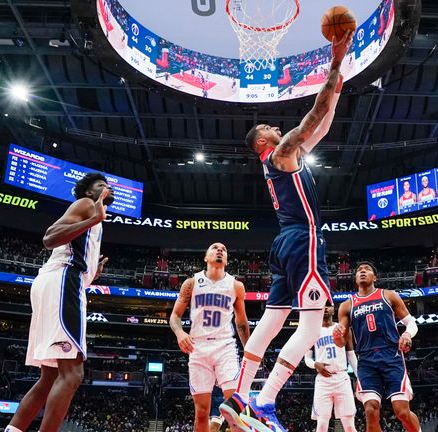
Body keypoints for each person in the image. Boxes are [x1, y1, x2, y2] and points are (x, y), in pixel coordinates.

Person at [218, 30, 354, 432]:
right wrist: (333, 63)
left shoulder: (282, 159)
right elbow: (311, 119)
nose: (276, 125)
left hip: (284, 243)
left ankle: (238, 398)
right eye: (268, 125)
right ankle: (267, 399)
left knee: (271, 323)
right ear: (264, 140)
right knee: (313, 326)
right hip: (304, 238)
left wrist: (338, 83)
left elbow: (323, 126)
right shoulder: (280, 153)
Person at [5, 173, 113, 432]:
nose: (107, 188)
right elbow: (50, 238)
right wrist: (94, 218)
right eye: (100, 185)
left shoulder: (94, 218)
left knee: (50, 377)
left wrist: (90, 272)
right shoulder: (86, 206)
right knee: (73, 374)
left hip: (57, 281)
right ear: (88, 193)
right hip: (64, 279)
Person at [170, 242, 250, 432]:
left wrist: (249, 349)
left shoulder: (236, 286)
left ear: (227, 260)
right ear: (206, 257)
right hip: (198, 348)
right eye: (215, 247)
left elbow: (241, 322)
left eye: (224, 249)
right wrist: (180, 332)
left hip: (225, 346)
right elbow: (175, 316)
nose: (220, 250)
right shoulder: (191, 283)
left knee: (235, 408)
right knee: (202, 413)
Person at [334, 262, 421, 432]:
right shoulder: (347, 305)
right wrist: (337, 336)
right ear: (355, 278)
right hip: (366, 360)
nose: (362, 271)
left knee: (401, 411)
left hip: (391, 356)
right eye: (359, 270)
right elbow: (341, 343)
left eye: (367, 269)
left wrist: (406, 334)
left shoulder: (388, 295)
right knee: (370, 409)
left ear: (375, 277)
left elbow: (411, 322)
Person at [304, 305, 357, 432]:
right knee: (321, 425)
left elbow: (351, 354)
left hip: (342, 378)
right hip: (323, 380)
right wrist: (315, 364)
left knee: (349, 425)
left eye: (328, 306)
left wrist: (361, 378)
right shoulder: (312, 331)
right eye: (323, 306)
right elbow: (307, 359)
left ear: (334, 309)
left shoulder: (342, 328)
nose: (326, 308)